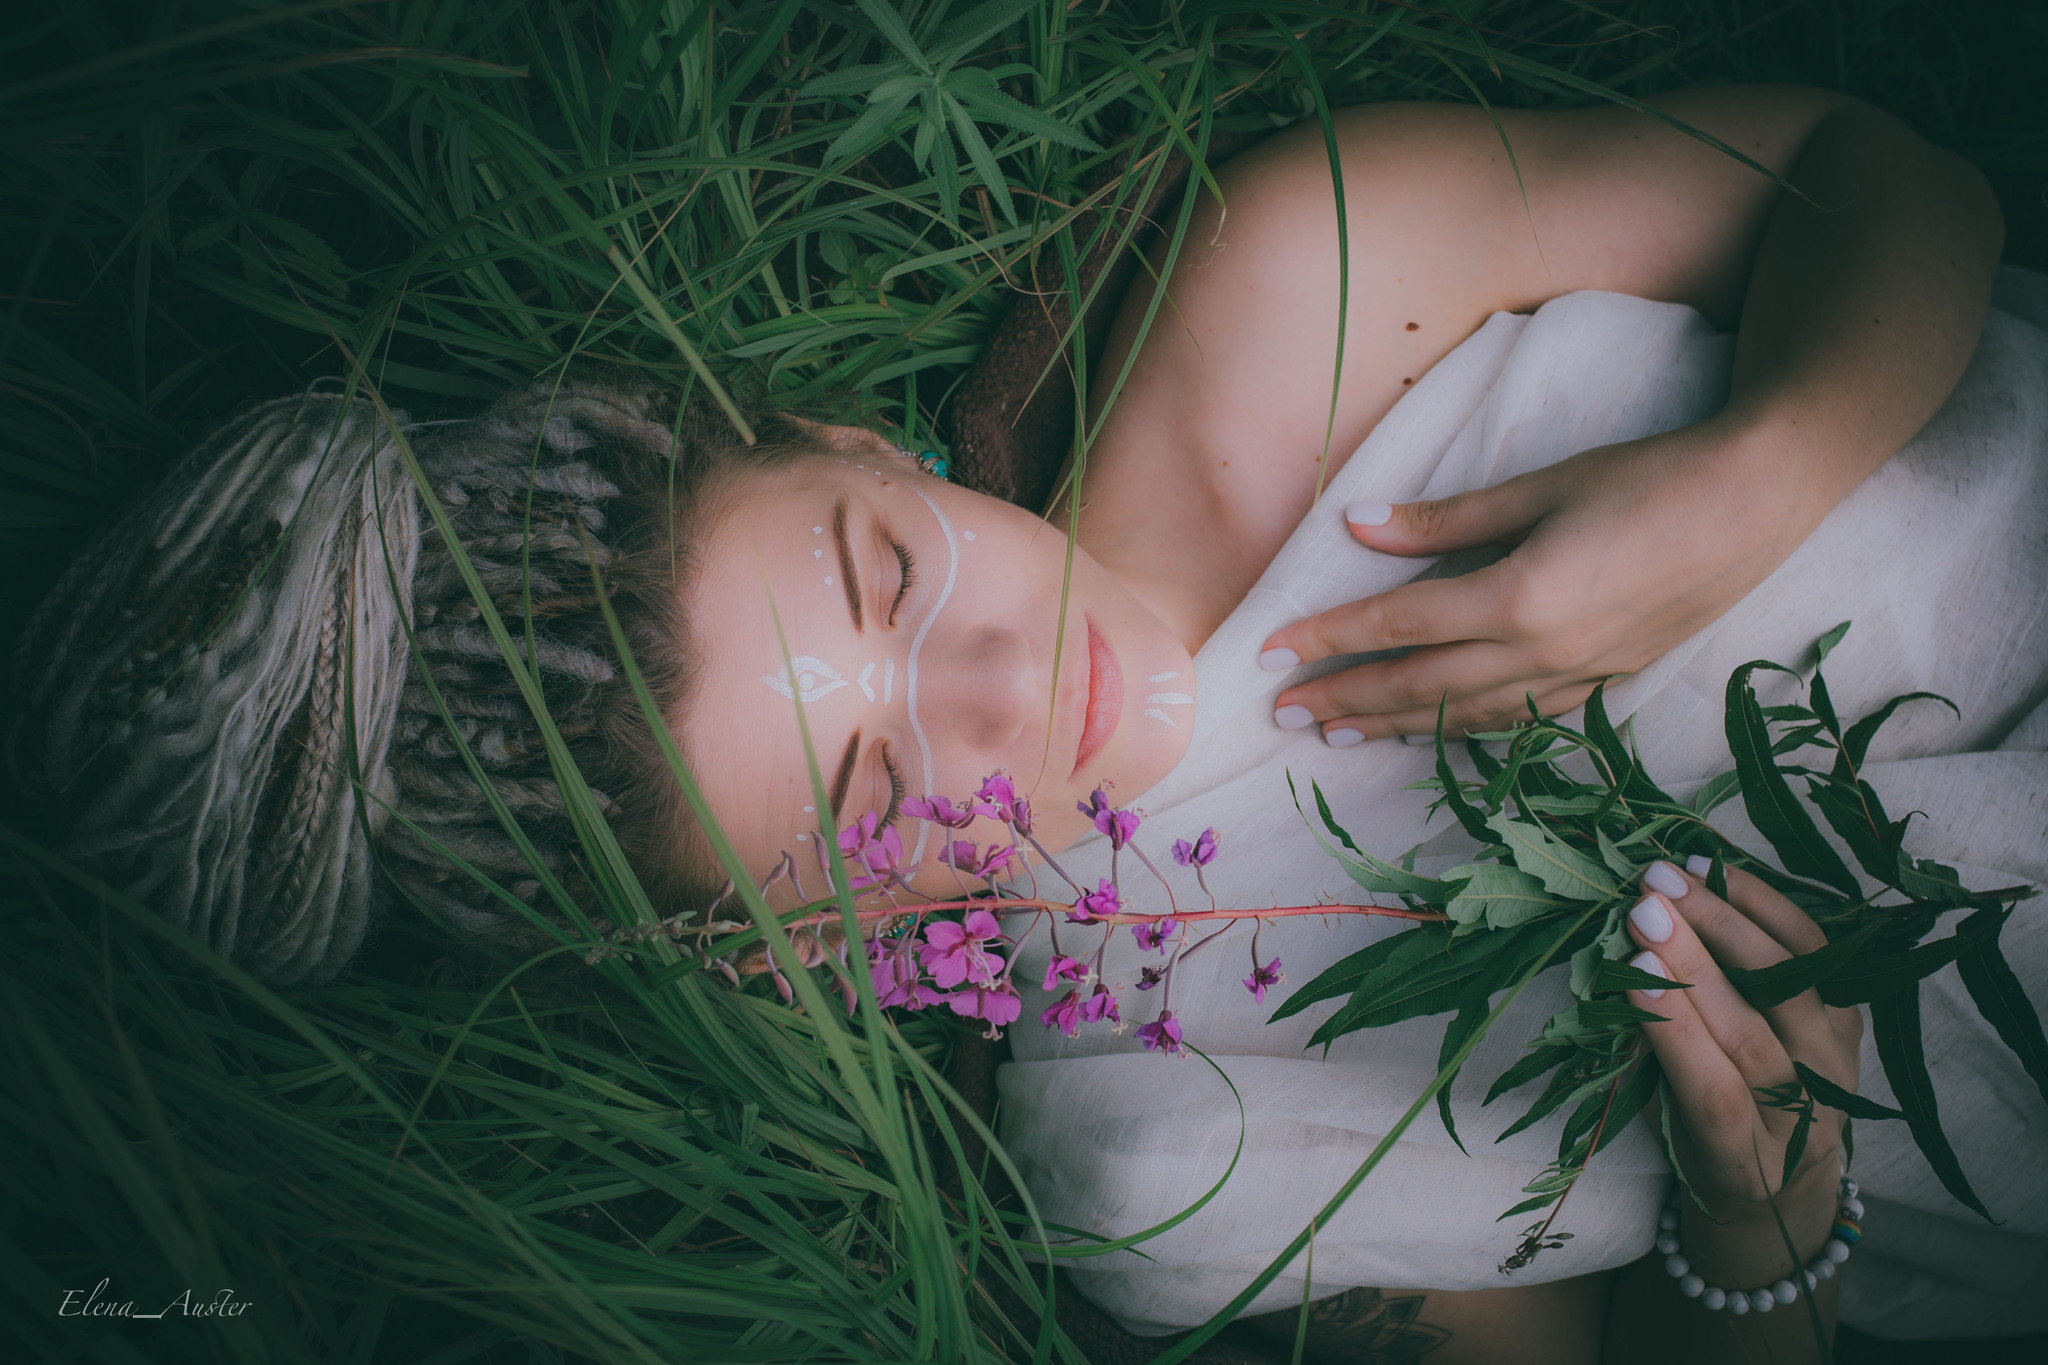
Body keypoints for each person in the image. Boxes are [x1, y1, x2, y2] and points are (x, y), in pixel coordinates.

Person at [10, 85, 2044, 1362]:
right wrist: (1761, 1220)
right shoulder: (1166, 1152)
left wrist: (1758, 470)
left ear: (823, 435)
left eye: (887, 570)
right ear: (783, 940)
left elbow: (1881, 172)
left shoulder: (1298, 284)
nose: (1002, 683)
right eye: (878, 788)